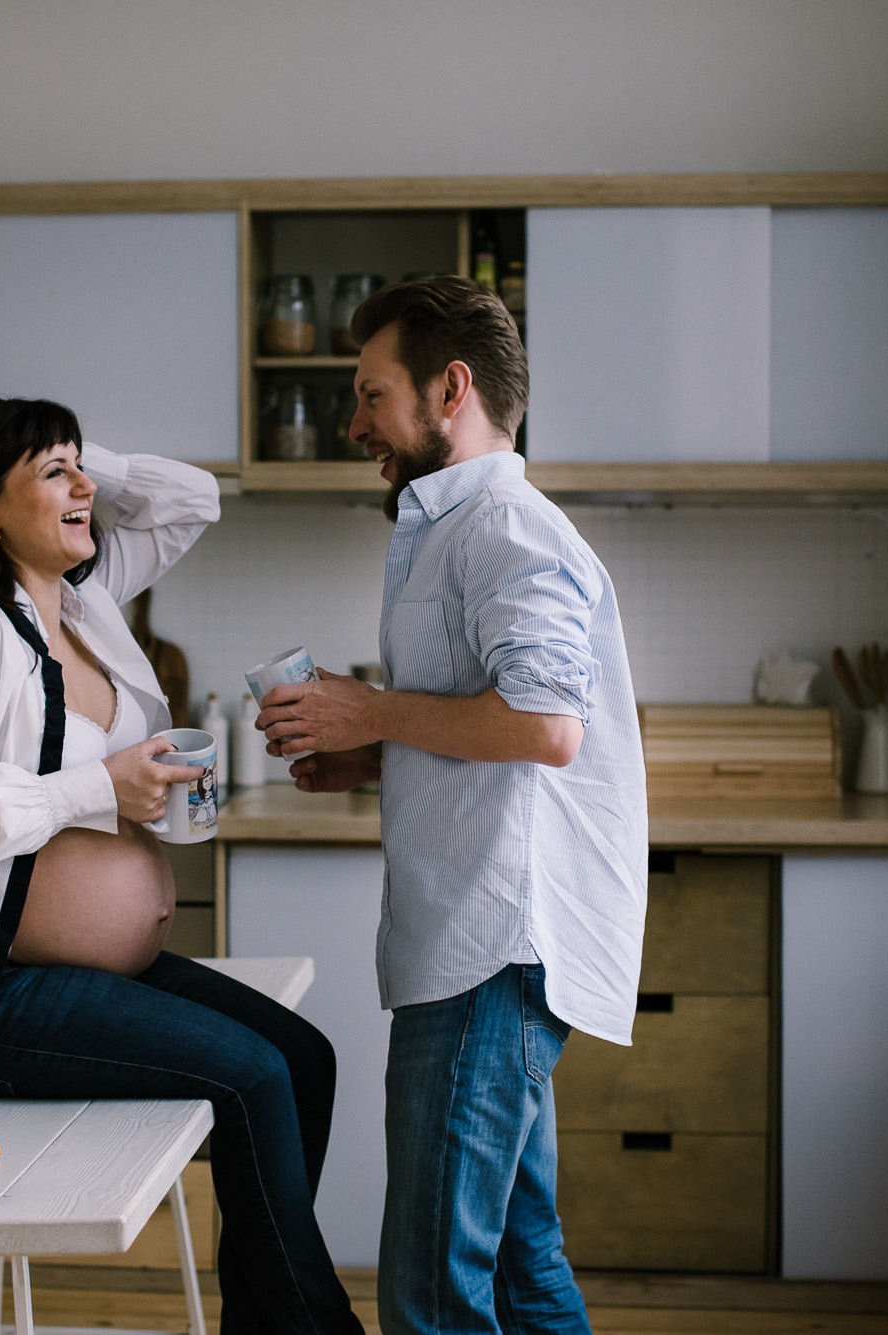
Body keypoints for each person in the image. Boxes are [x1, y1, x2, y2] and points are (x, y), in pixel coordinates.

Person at [0, 397, 363, 1335]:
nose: (85, 488)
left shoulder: (87, 602)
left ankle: (266, 1322)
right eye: (52, 474)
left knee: (304, 1059)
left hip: (78, 966)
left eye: (81, 469)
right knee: (255, 1077)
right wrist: (98, 788)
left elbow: (193, 499)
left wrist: (73, 461)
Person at [254, 279, 648, 1335]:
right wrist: (369, 750)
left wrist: (369, 710)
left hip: (489, 950)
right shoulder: (451, 525)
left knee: (430, 1292)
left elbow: (544, 728)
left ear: (449, 389)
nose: (354, 425)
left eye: (371, 395)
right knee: (521, 1265)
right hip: (475, 943)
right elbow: (488, 728)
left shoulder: (506, 529)